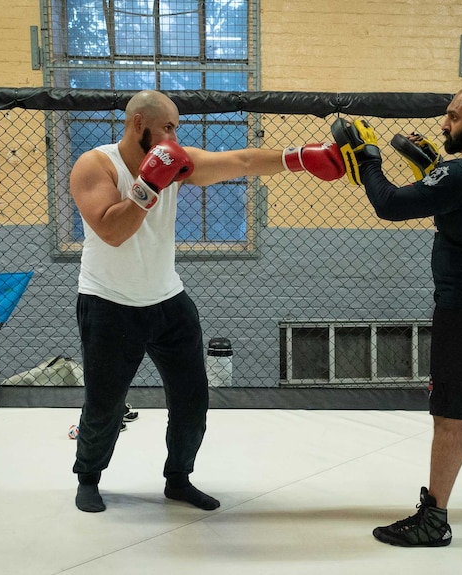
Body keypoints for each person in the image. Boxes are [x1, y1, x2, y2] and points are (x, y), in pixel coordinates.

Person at [70, 89, 345, 513]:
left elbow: (242, 161)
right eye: (167, 127)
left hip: (167, 300)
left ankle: (178, 479)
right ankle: (88, 478)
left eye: (176, 128)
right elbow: (112, 231)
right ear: (139, 124)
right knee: (105, 404)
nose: (173, 136)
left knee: (192, 398)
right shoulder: (95, 164)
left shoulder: (174, 160)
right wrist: (148, 185)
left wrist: (300, 157)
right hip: (108, 303)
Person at [331, 84, 462, 547]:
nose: (444, 124)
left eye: (452, 116)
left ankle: (434, 519)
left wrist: (367, 159)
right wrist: (435, 173)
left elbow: (389, 205)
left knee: (449, 414)